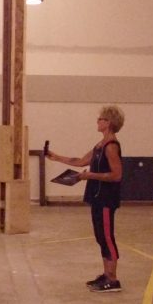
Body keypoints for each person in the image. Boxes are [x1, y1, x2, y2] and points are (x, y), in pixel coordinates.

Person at [47, 105, 125, 292]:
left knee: (107, 237)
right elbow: (81, 161)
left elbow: (117, 175)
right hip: (96, 197)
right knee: (100, 236)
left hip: (106, 198)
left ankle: (113, 279)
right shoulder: (99, 145)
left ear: (109, 123)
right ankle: (106, 274)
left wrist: (90, 175)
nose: (97, 121)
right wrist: (56, 157)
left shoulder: (111, 146)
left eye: (101, 119)